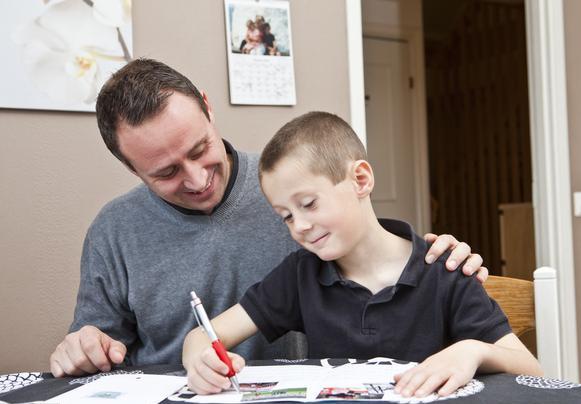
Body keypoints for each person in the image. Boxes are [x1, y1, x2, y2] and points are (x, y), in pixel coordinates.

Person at [48, 58, 487, 378]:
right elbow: (99, 343)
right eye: (166, 172)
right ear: (132, 168)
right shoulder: (113, 231)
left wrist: (444, 256)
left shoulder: (288, 188)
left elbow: (370, 242)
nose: (198, 178)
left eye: (201, 149)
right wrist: (85, 346)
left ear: (207, 107)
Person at [182, 111, 542, 397]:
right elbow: (204, 336)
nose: (300, 226)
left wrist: (472, 351)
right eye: (286, 216)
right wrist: (198, 358)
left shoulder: (443, 269)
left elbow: (532, 370)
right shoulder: (301, 275)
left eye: (308, 204)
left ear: (360, 180)